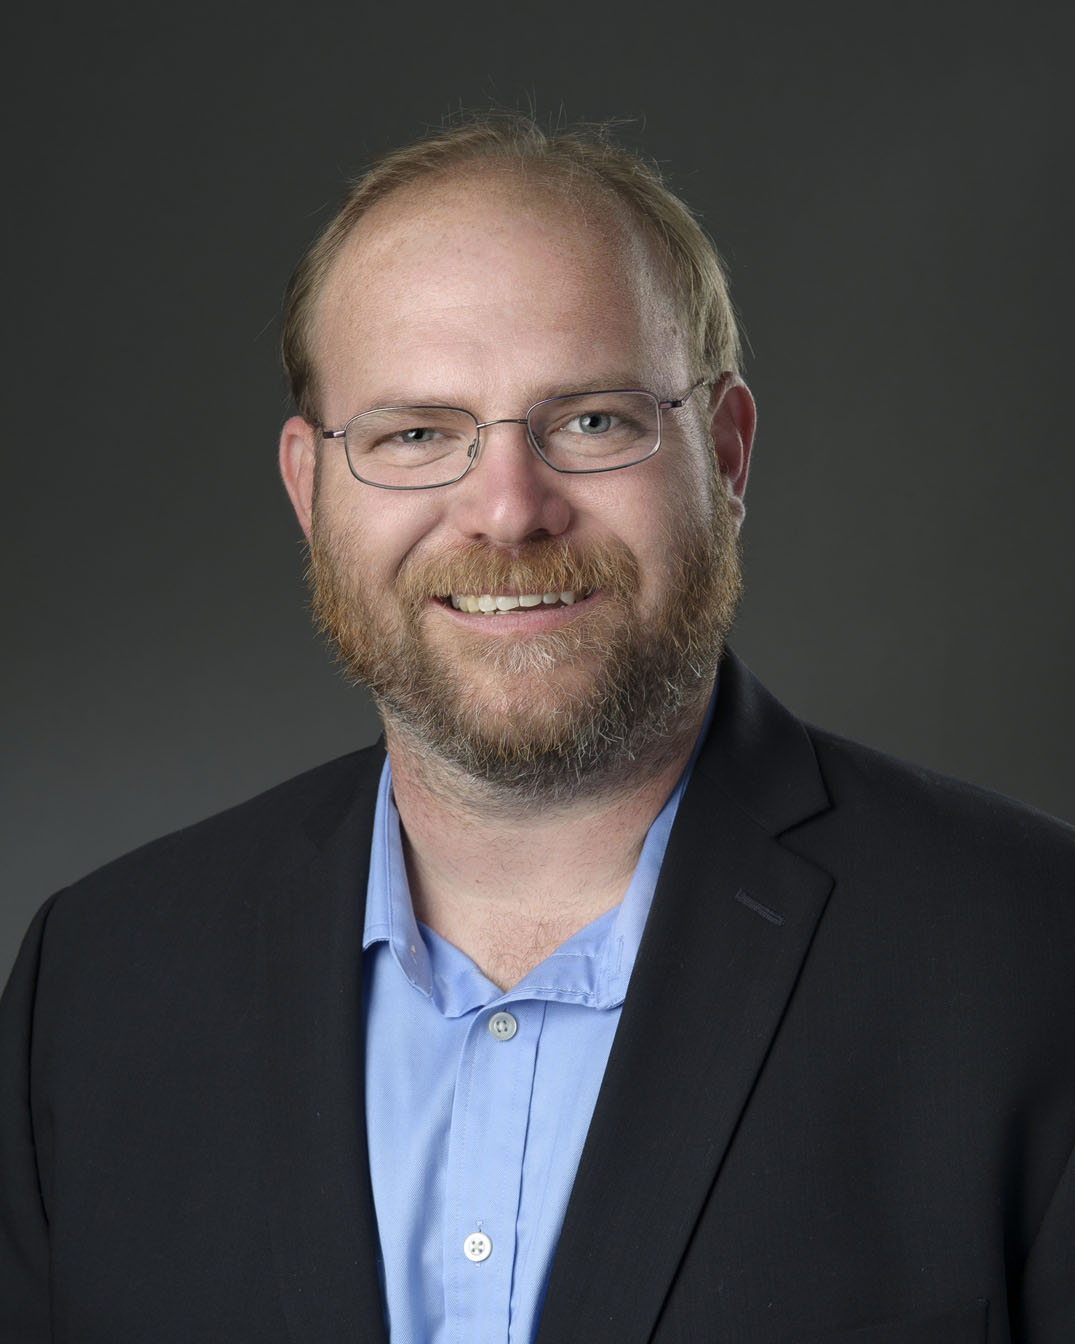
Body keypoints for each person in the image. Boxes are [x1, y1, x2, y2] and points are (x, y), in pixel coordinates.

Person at [2, 114, 1073, 1344]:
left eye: (593, 420)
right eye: (416, 434)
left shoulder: (1036, 961)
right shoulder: (96, 986)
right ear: (308, 490)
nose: (506, 511)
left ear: (725, 456)